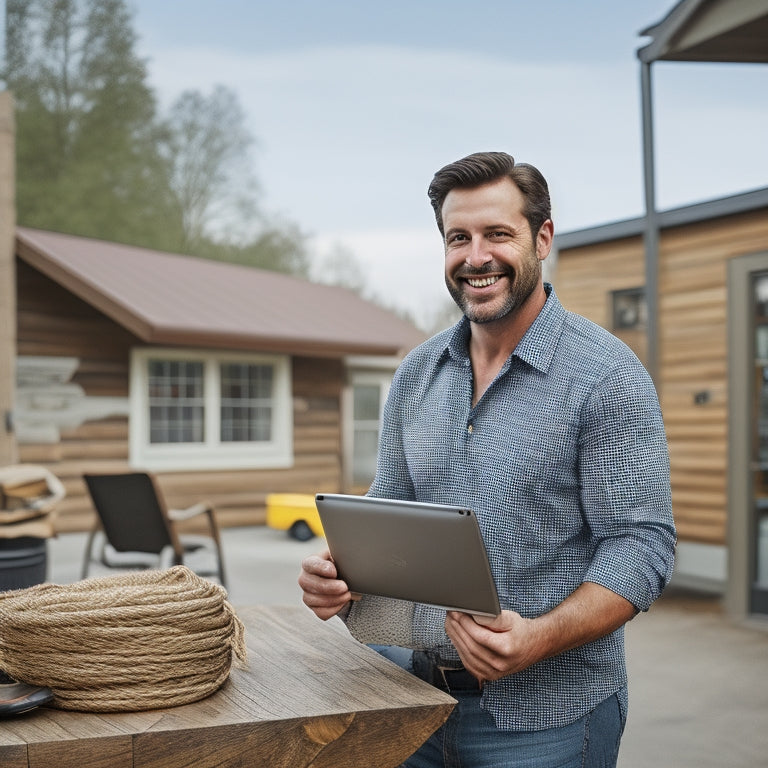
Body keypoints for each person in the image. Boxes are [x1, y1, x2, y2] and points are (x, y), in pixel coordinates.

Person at [299, 151, 676, 768]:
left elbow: (643, 545)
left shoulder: (608, 375)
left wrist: (538, 637)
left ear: (542, 239)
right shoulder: (416, 374)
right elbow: (388, 512)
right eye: (458, 238)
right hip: (407, 699)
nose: (476, 256)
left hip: (547, 722)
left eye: (498, 234)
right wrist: (342, 579)